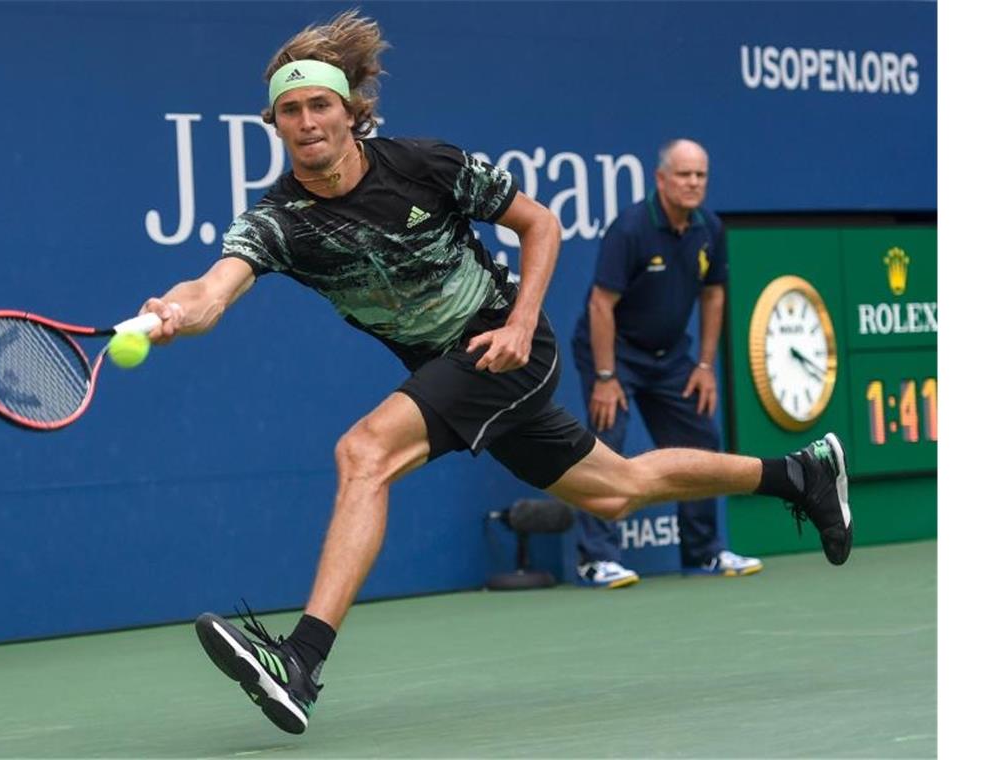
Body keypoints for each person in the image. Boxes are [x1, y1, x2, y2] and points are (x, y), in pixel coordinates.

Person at [137, 10, 853, 736]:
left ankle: (303, 661)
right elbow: (214, 288)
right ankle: (800, 474)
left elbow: (540, 223)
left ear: (352, 111)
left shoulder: (425, 164)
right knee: (618, 491)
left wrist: (518, 323)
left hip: (503, 345)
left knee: (364, 453)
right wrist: (176, 310)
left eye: (320, 104)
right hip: (451, 368)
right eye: (290, 110)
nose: (306, 120)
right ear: (275, 123)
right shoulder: (278, 221)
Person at [569, 139, 761, 588]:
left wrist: (705, 365)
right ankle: (596, 559)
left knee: (699, 441)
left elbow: (714, 294)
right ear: (661, 179)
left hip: (672, 358)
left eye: (700, 176)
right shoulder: (631, 228)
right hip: (614, 354)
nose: (693, 183)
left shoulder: (710, 228)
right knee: (607, 446)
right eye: (684, 175)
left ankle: (705, 552)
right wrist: (605, 376)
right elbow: (600, 304)